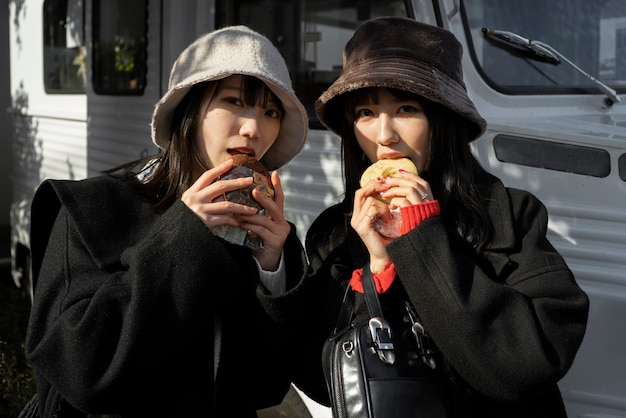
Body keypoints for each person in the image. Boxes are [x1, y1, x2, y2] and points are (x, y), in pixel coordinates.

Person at [290, 17, 590, 417]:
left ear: (442, 119)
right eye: (365, 112)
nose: (384, 135)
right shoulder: (335, 233)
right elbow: (326, 383)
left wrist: (423, 239)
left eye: (406, 108)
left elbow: (528, 366)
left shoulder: (512, 214)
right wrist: (377, 271)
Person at [24, 25, 309, 417]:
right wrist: (186, 235)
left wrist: (272, 270)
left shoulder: (259, 233)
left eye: (270, 112)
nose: (254, 129)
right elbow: (79, 369)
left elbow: (265, 387)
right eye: (233, 101)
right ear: (189, 111)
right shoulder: (91, 208)